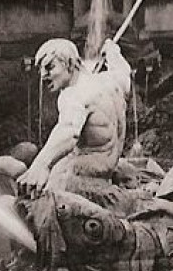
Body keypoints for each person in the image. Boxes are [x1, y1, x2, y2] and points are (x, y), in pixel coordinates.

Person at [17, 37, 133, 195]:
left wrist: (40, 165)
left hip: (86, 171)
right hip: (109, 163)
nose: (43, 76)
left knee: (50, 183)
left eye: (50, 67)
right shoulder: (111, 80)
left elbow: (69, 132)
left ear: (70, 64)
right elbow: (124, 72)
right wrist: (113, 52)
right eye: (41, 70)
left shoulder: (73, 95)